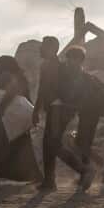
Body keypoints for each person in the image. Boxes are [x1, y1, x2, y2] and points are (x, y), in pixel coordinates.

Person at [55, 46, 104, 191]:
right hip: (86, 113)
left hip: (90, 112)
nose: (69, 62)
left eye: (71, 59)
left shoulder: (81, 77)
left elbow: (77, 97)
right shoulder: (81, 75)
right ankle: (101, 170)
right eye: (68, 58)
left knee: (82, 144)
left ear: (79, 60)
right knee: (82, 143)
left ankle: (96, 172)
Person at [34, 35, 78, 191]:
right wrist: (37, 110)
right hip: (55, 108)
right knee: (51, 145)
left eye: (43, 46)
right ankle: (50, 180)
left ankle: (81, 171)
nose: (40, 48)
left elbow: (43, 89)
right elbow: (42, 90)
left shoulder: (52, 66)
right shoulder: (48, 65)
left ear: (52, 49)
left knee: (51, 144)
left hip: (58, 109)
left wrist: (36, 111)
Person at [0, 54, 42, 183]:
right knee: (23, 148)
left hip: (11, 115)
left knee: (2, 146)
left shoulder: (6, 76)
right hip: (23, 115)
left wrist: (1, 109)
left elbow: (11, 92)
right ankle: (34, 175)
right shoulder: (20, 77)